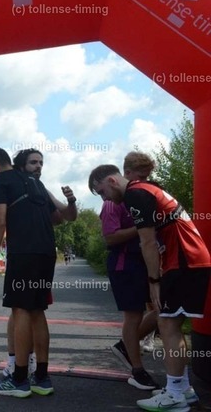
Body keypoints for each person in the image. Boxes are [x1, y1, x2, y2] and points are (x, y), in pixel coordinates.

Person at [89, 164, 210, 411]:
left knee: (167, 324)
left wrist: (154, 281)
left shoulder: (135, 194)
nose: (105, 199)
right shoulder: (147, 188)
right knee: (170, 323)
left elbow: (147, 242)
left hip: (183, 260)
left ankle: (175, 395)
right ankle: (183, 390)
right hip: (190, 259)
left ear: (112, 181)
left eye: (102, 192)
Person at [0, 147, 74, 398]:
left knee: (20, 310)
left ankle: (19, 379)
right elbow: (59, 218)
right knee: (38, 311)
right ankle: (41, 377)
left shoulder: (1, 180)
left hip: (23, 253)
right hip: (46, 252)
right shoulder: (36, 183)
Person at [100, 152, 159, 391]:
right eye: (140, 176)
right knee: (133, 316)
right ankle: (137, 370)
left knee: (164, 309)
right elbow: (110, 238)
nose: (144, 180)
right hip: (125, 264)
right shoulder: (111, 204)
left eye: (147, 176)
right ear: (125, 174)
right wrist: (142, 226)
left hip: (146, 260)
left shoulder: (142, 194)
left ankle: (125, 345)